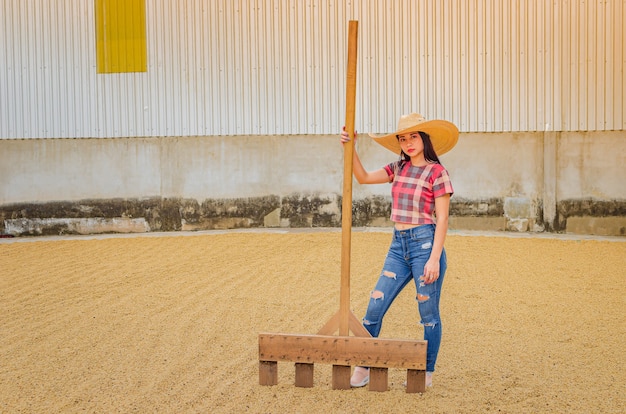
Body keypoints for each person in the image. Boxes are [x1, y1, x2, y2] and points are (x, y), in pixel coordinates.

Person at [340, 113, 459, 388]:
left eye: (413, 136)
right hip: (398, 245)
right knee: (374, 306)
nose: (408, 143)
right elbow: (363, 177)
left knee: (428, 315)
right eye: (403, 138)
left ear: (425, 139)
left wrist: (433, 260)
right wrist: (350, 147)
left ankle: (426, 370)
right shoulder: (398, 167)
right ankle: (364, 364)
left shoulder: (437, 172)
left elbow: (442, 218)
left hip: (426, 244)